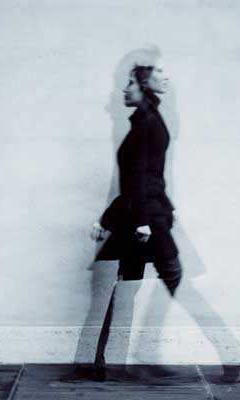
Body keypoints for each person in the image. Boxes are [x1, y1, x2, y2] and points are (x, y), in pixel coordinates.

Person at [89, 64, 182, 380]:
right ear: (147, 84)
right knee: (167, 277)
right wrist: (140, 221)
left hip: (146, 216)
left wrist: (164, 208)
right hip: (146, 219)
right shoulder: (145, 123)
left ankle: (104, 362)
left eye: (129, 83)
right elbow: (137, 179)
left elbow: (146, 177)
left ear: (142, 87)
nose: (124, 89)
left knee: (128, 285)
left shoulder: (147, 121)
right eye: (159, 72)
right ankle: (131, 356)